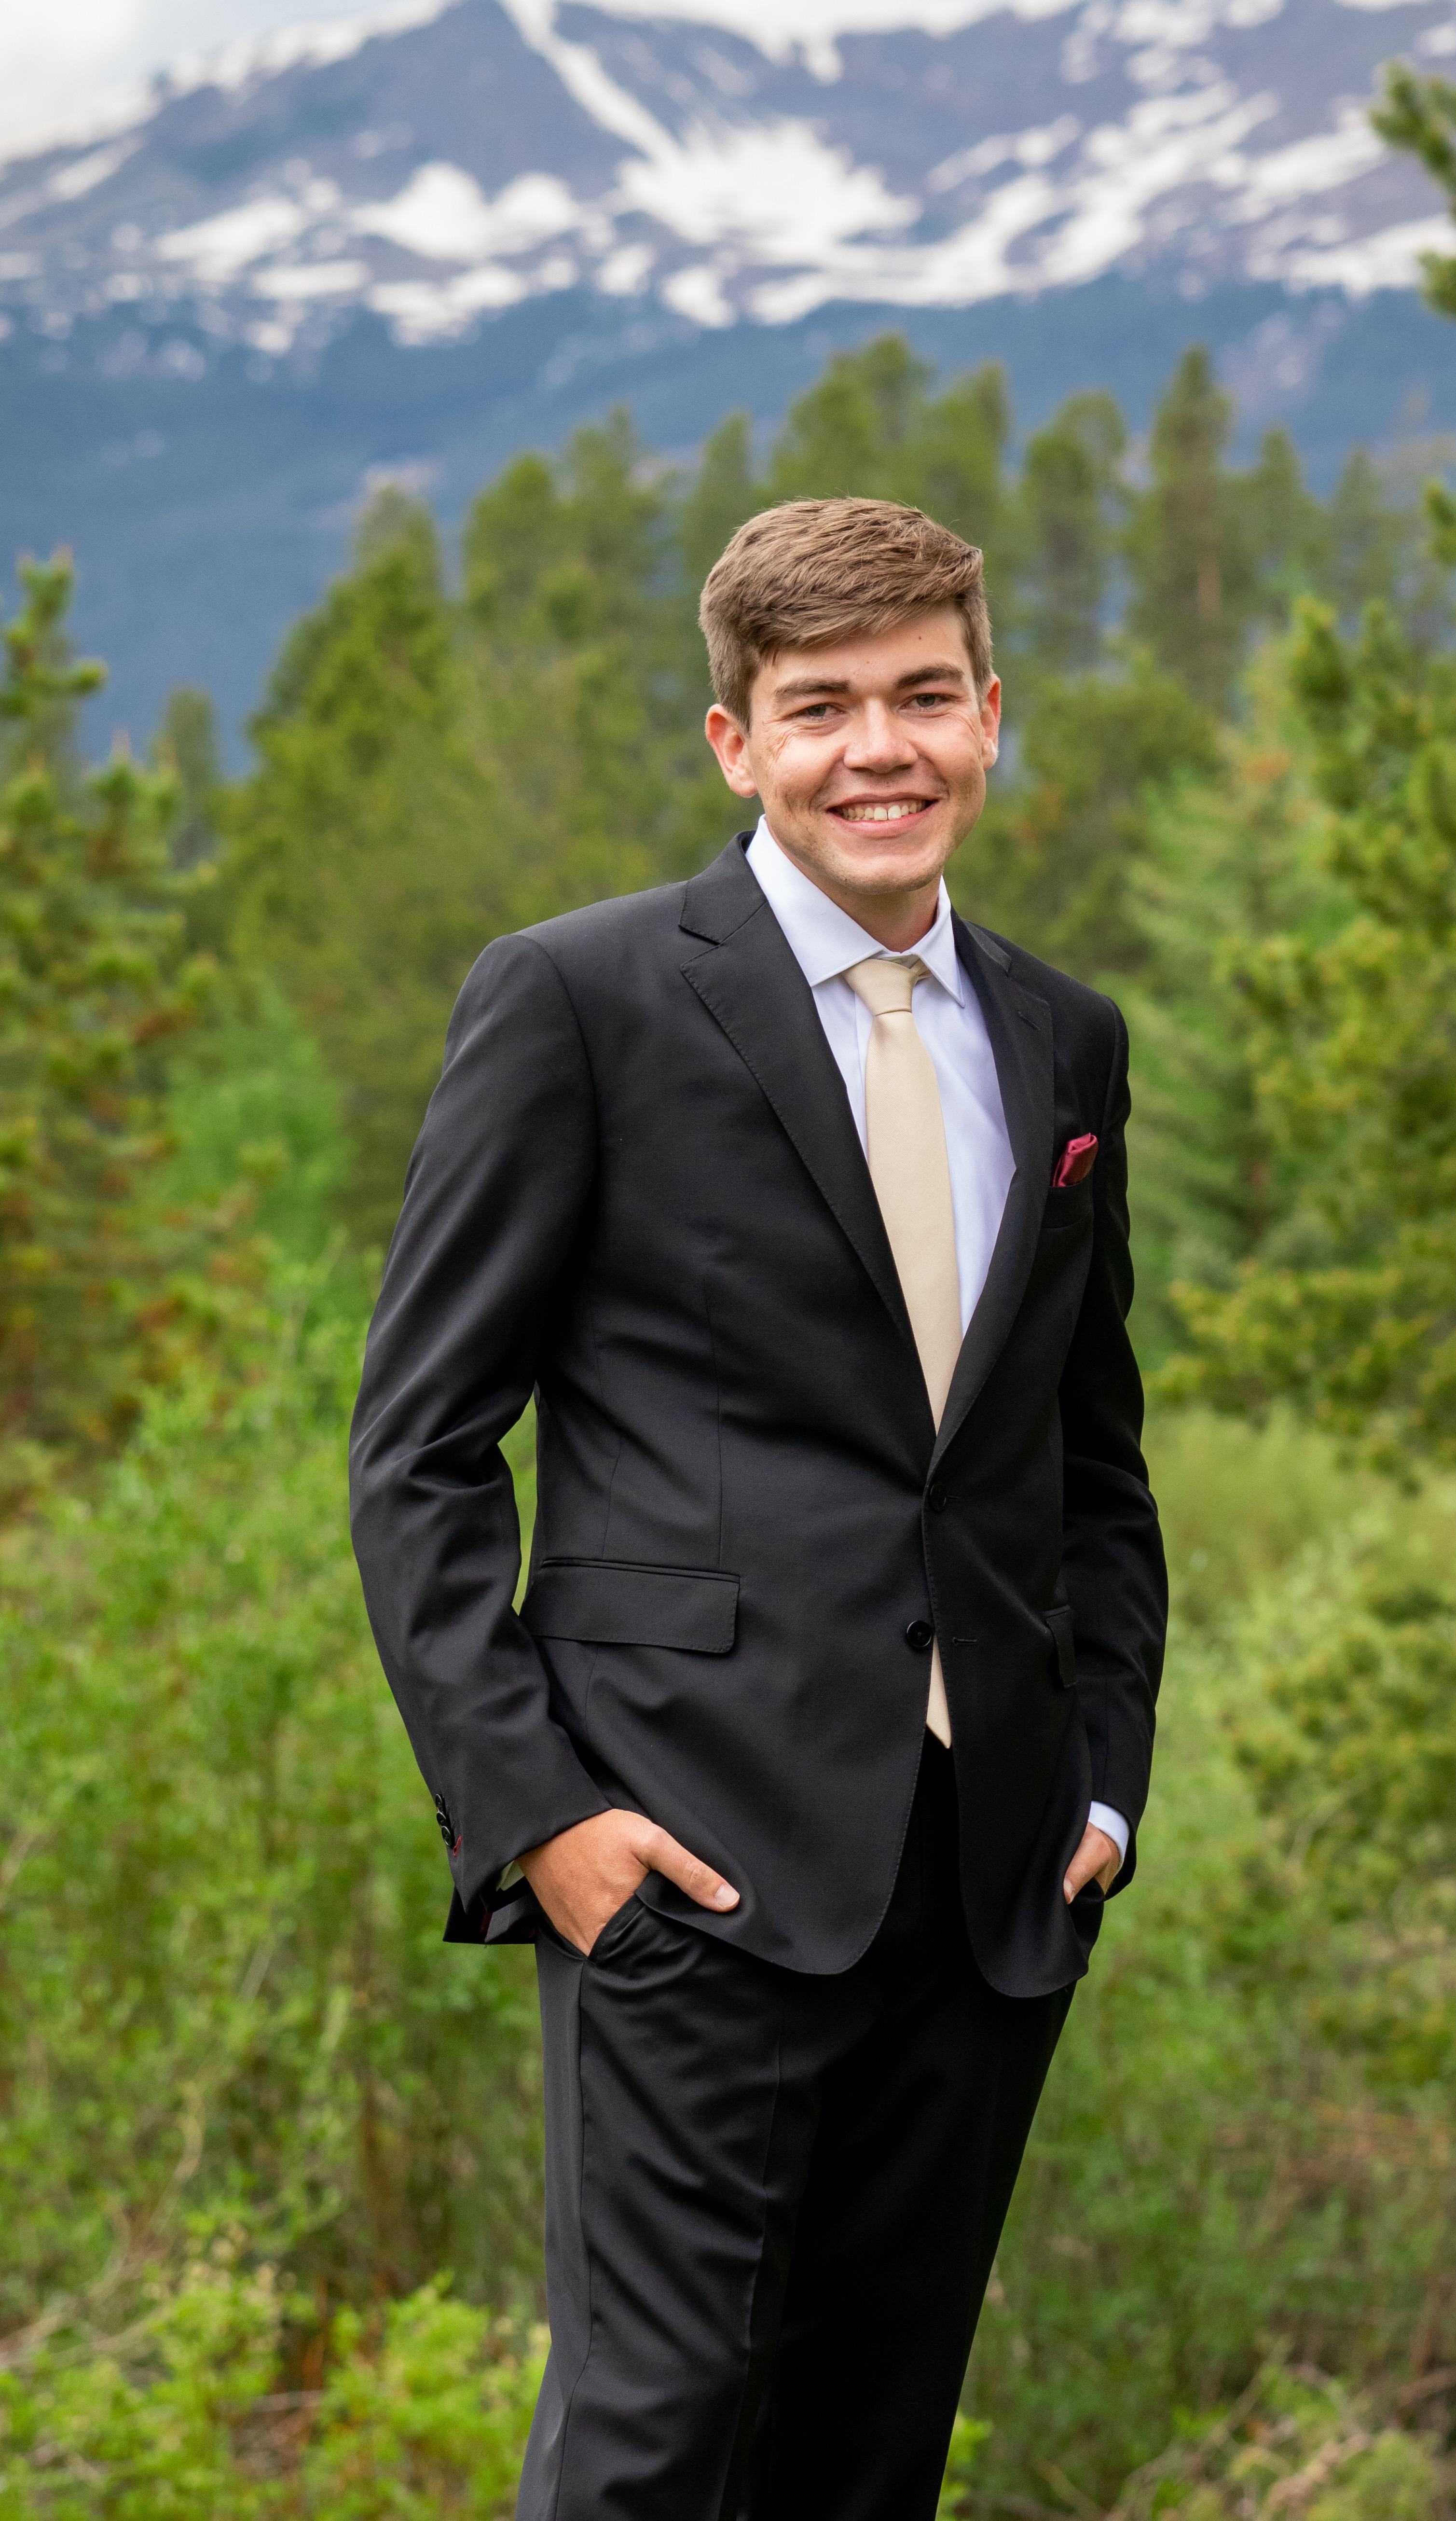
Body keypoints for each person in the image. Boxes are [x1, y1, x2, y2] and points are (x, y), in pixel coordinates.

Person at [348, 496, 1168, 2518]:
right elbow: (421, 1445)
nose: (874, 749)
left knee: (867, 2459)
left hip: (987, 1885)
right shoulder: (577, 1001)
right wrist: (538, 1818)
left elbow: (1086, 1462)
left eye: (918, 697)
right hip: (679, 1860)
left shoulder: (1066, 1038)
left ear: (992, 717)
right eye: (818, 709)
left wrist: (1101, 1791)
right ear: (735, 743)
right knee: (648, 2456)